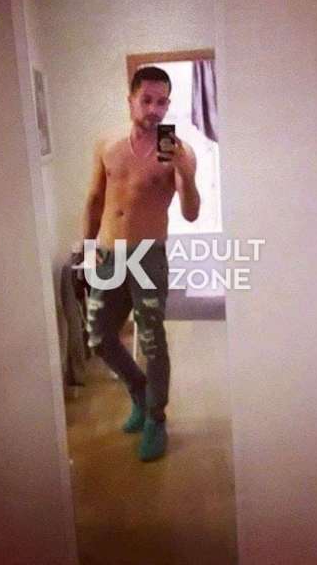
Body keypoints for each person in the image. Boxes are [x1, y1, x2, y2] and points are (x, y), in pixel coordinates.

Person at [77, 66, 200, 462]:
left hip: (148, 256)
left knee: (151, 340)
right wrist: (86, 250)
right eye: (146, 100)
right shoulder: (107, 144)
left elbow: (191, 213)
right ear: (130, 100)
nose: (153, 109)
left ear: (168, 104)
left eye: (161, 102)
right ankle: (139, 390)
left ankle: (155, 418)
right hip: (109, 254)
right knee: (98, 336)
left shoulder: (177, 151)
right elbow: (95, 199)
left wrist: (185, 172)